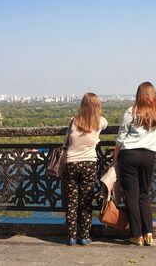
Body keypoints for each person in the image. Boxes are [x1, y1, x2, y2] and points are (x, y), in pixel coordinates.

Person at [114, 82, 156, 246]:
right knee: (144, 194)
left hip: (129, 155)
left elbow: (121, 138)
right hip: (148, 155)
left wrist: (115, 159)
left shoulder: (131, 112)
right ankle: (149, 233)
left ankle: (136, 235)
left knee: (131, 195)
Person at [64, 93, 108, 245]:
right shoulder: (100, 122)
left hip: (71, 164)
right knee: (86, 201)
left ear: (82, 105)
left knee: (71, 202)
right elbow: (106, 123)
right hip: (89, 164)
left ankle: (71, 236)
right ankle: (84, 236)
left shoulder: (73, 121)